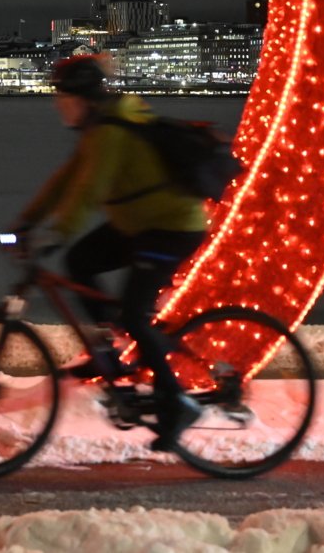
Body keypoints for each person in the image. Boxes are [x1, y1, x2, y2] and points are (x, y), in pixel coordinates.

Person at [13, 53, 207, 451]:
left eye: (62, 97)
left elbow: (90, 191)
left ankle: (177, 404)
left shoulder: (110, 132)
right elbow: (65, 182)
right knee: (80, 261)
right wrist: (27, 223)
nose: (57, 104)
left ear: (82, 98)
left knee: (135, 315)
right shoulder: (96, 131)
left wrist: (57, 233)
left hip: (172, 227)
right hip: (139, 225)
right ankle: (108, 352)